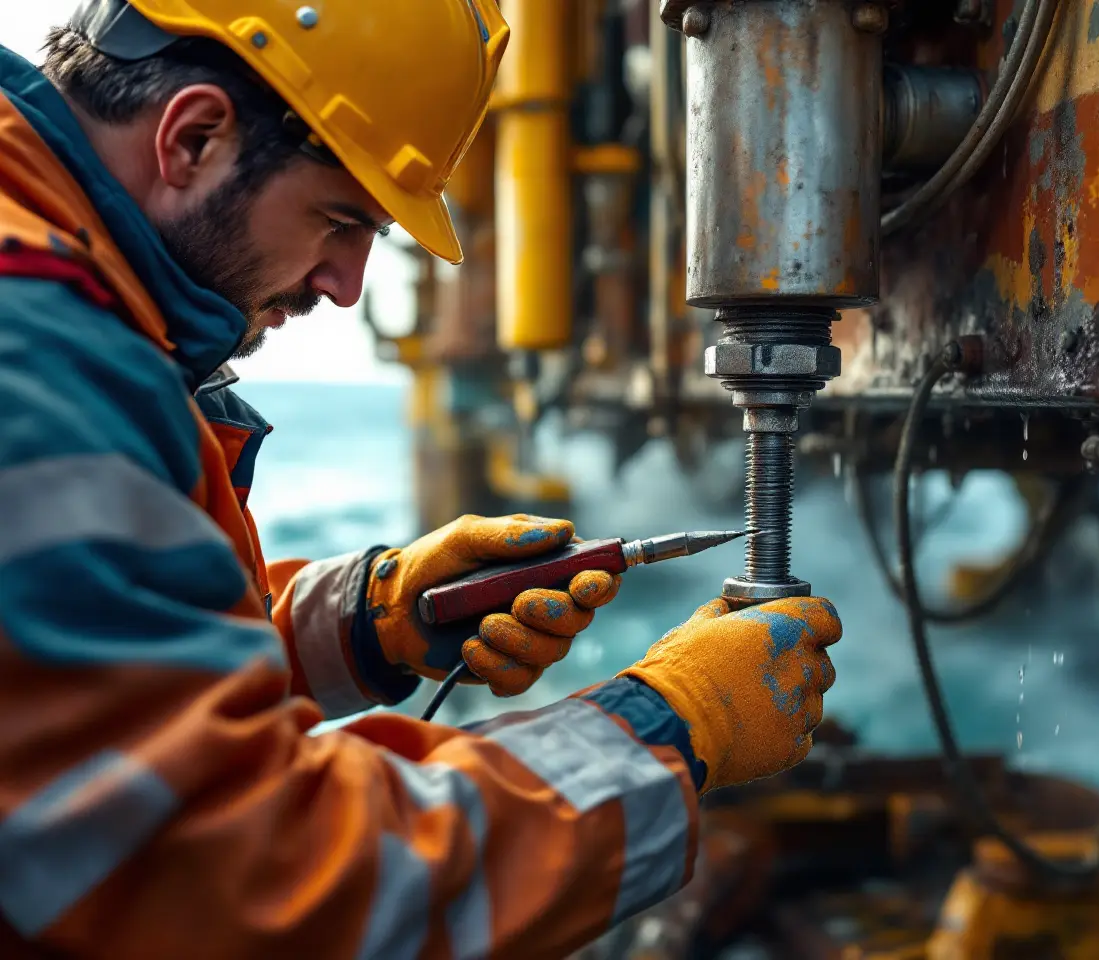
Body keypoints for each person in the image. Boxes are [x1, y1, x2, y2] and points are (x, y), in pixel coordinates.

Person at [0, 1, 842, 957]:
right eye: (340, 220)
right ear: (192, 137)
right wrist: (673, 729)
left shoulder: (53, 304)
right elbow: (253, 887)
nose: (346, 284)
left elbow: (93, 689)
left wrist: (372, 619)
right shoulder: (37, 355)